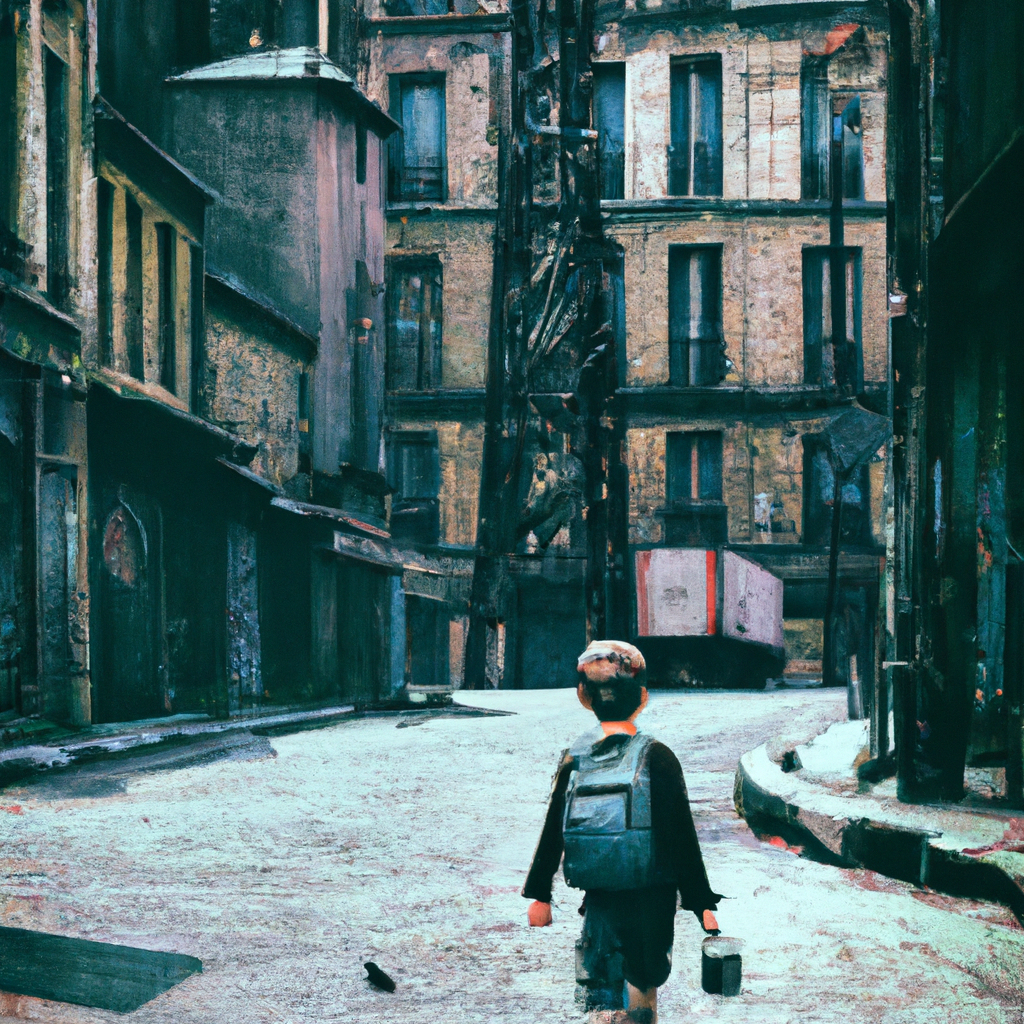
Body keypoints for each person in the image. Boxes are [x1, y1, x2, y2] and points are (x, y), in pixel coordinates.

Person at [522, 640, 721, 1024]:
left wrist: (539, 895)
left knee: (600, 986)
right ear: (642, 697)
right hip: (652, 898)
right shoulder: (657, 756)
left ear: (584, 697)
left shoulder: (576, 757)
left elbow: (554, 828)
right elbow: (682, 838)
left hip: (599, 896)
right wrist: (702, 904)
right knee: (642, 985)